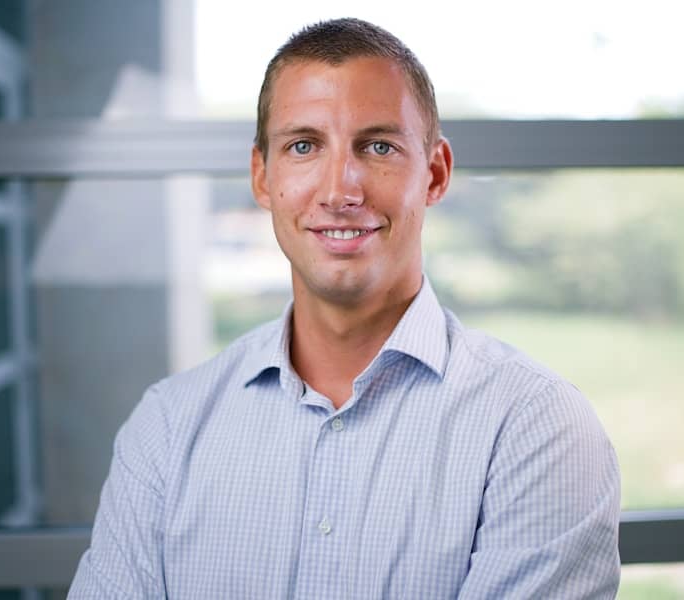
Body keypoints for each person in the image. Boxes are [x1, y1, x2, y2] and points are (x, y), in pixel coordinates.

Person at [69, 17, 620, 599]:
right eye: (303, 146)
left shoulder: (536, 428)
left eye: (378, 146)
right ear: (263, 175)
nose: (341, 190)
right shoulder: (167, 427)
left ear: (434, 173)